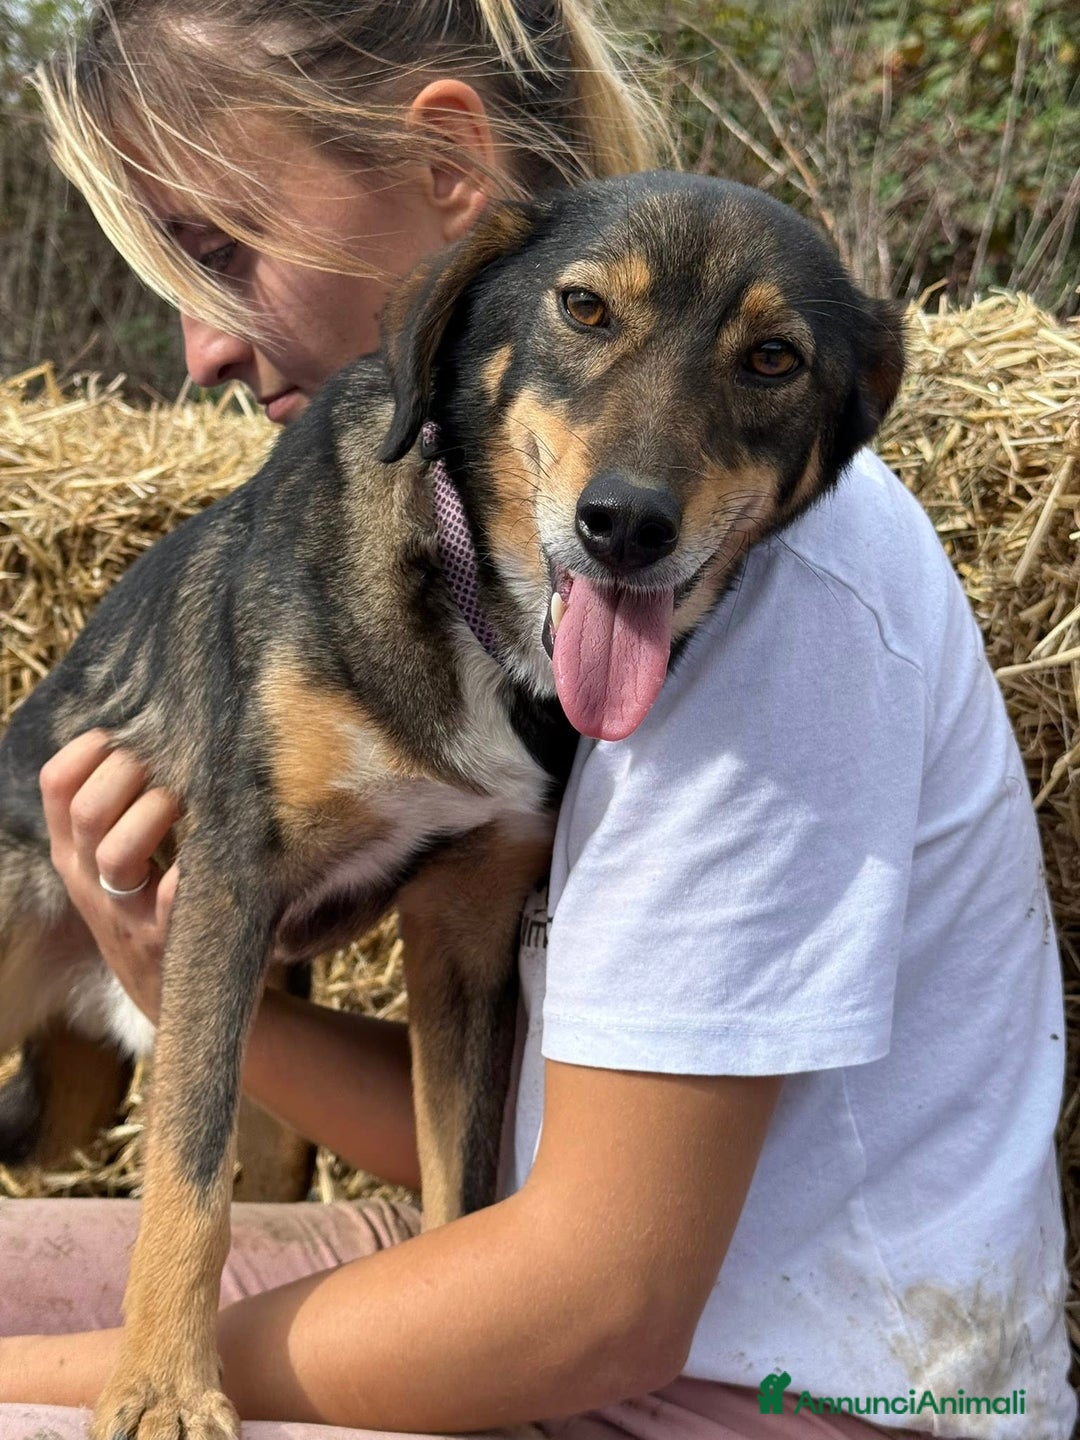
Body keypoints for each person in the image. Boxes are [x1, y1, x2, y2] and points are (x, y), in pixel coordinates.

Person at [0, 2, 1074, 1438]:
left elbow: (592, 1306)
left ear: (448, 162)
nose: (198, 346)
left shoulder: (770, 597)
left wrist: (62, 1374)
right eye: (587, 320)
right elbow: (543, 1156)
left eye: (219, 244)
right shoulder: (498, 556)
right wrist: (162, 971)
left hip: (784, 1391)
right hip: (531, 1285)